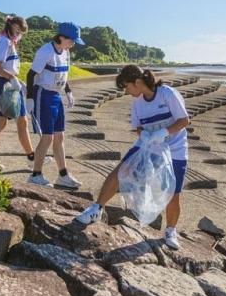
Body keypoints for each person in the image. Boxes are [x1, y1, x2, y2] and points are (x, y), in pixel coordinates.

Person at [74, 65, 190, 250]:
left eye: (127, 86)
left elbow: (184, 120)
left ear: (137, 82)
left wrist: (163, 132)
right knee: (120, 171)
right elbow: (138, 127)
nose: (126, 91)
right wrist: (144, 134)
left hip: (175, 148)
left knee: (173, 192)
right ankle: (96, 209)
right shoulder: (137, 103)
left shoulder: (167, 94)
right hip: (148, 144)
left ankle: (170, 231)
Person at [25, 22, 84, 188]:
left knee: (60, 136)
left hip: (56, 95)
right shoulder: (45, 51)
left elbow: (63, 74)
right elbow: (31, 75)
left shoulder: (65, 52)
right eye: (71, 41)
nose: (72, 44)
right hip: (44, 94)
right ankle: (35, 175)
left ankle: (63, 175)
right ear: (61, 37)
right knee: (47, 137)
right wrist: (30, 98)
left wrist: (68, 91)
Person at [0, 16, 35, 166]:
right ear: (11, 26)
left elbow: (8, 67)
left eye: (21, 32)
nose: (19, 34)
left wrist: (19, 81)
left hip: (9, 83)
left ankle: (31, 157)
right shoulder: (4, 42)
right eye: (17, 30)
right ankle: (31, 158)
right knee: (6, 123)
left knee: (17, 122)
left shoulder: (9, 42)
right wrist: (12, 78)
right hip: (5, 85)